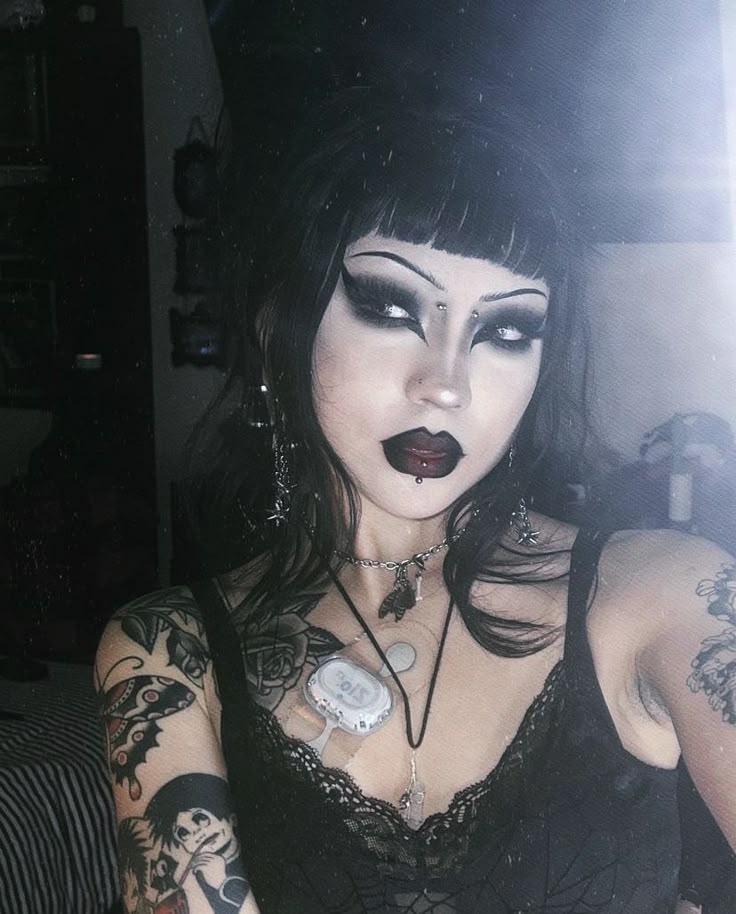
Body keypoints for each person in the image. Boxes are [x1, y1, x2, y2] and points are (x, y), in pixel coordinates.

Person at [96, 88, 736, 913]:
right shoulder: (166, 650)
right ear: (279, 328)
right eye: (392, 307)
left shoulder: (666, 596)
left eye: (506, 332)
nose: (447, 384)